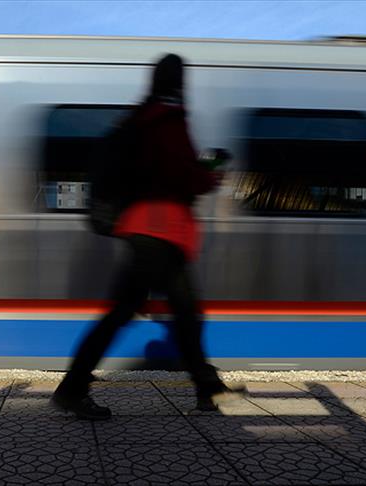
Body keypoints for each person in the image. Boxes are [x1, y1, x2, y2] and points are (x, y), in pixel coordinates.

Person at [51, 53, 246, 420]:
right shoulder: (168, 118)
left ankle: (208, 387)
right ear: (180, 82)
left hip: (149, 230)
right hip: (160, 231)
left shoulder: (142, 117)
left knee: (181, 313)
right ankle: (72, 388)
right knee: (136, 313)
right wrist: (211, 172)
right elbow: (182, 175)